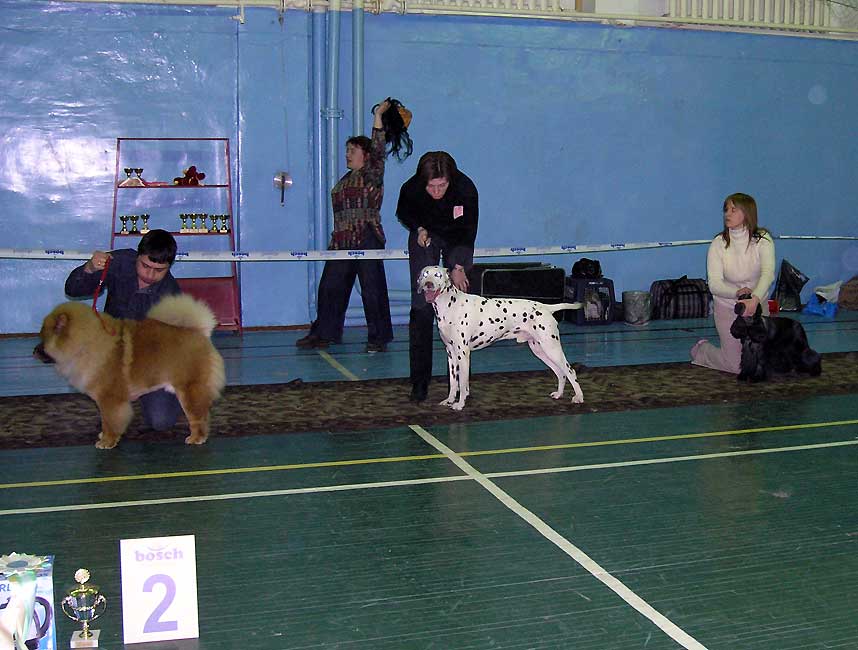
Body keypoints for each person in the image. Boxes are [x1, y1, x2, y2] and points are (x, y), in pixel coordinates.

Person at [296, 98, 411, 353]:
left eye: (352, 150)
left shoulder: (372, 174)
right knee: (330, 287)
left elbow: (378, 148)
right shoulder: (346, 179)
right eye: (347, 150)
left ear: (366, 155)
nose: (347, 154)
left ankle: (379, 338)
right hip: (341, 240)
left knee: (372, 290)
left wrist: (378, 115)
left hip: (366, 236)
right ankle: (324, 334)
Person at [64, 228, 183, 430]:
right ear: (137, 256)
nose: (150, 274)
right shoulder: (118, 262)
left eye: (159, 270)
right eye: (145, 266)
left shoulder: (171, 297)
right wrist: (89, 268)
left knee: (160, 421)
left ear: (169, 267)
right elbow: (72, 290)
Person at [396, 151, 479, 402]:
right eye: (431, 186)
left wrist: (458, 266)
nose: (436, 191)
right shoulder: (412, 188)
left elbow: (468, 230)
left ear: (450, 180)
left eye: (441, 186)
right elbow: (404, 212)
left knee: (462, 302)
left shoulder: (465, 188)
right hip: (426, 235)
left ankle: (462, 383)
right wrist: (419, 229)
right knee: (422, 303)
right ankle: (419, 383)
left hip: (457, 238)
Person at [691, 192, 775, 373]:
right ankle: (702, 351)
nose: (727, 214)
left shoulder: (763, 239)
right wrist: (736, 293)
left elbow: (768, 274)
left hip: (757, 306)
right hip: (728, 306)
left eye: (733, 210)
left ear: (747, 213)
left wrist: (755, 299)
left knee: (763, 364)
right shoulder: (718, 244)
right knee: (736, 366)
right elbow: (714, 284)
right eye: (726, 210)